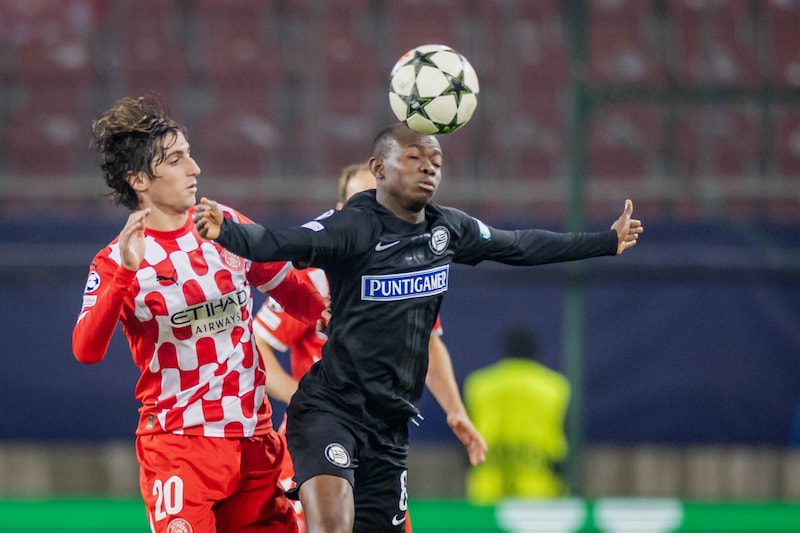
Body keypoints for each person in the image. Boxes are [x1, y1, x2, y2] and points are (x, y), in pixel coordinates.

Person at [194, 122, 643, 532]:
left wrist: (605, 241)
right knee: (332, 527)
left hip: (388, 427)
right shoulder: (353, 226)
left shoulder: (447, 229)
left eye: (436, 162)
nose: (428, 168)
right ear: (379, 168)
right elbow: (284, 240)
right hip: (330, 413)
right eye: (414, 158)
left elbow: (519, 245)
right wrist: (226, 231)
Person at [72, 95, 329, 533]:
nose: (194, 169)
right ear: (138, 179)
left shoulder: (223, 221)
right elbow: (86, 350)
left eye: (189, 155)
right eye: (176, 160)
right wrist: (124, 277)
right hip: (180, 448)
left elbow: (290, 290)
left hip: (255, 441)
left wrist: (331, 316)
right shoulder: (117, 259)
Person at [253, 162, 488, 532]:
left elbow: (427, 340)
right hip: (321, 435)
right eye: (362, 202)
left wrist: (455, 410)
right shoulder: (315, 276)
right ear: (340, 212)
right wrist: (294, 392)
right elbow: (258, 342)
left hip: (377, 434)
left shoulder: (408, 270)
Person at [463, 325, 570, 503]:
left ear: (505, 350)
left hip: (487, 489)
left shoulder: (478, 385)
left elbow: (463, 438)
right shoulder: (556, 387)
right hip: (539, 491)